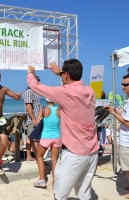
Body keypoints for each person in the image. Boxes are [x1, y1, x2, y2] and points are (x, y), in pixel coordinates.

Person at [27, 59, 99, 200]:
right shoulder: (89, 91)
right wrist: (61, 73)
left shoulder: (65, 93)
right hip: (92, 151)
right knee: (84, 194)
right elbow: (73, 84)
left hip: (74, 154)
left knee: (59, 195)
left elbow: (36, 87)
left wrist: (31, 74)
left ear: (66, 75)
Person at [106, 73, 129, 198]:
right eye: (122, 84)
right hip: (125, 139)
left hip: (127, 141)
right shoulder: (127, 100)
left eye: (125, 84)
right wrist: (118, 113)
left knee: (126, 167)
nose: (122, 87)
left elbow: (127, 122)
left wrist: (114, 114)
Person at [34, 98, 61, 189]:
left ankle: (42, 179)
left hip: (46, 136)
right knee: (54, 160)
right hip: (57, 136)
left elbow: (36, 122)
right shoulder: (58, 109)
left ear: (46, 100)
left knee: (39, 156)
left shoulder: (43, 109)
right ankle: (55, 182)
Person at [23, 76, 41, 161]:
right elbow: (28, 106)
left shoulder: (35, 92)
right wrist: (34, 119)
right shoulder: (28, 91)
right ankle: (38, 158)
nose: (38, 83)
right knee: (35, 139)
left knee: (30, 138)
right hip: (32, 120)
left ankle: (29, 156)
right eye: (37, 81)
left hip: (35, 119)